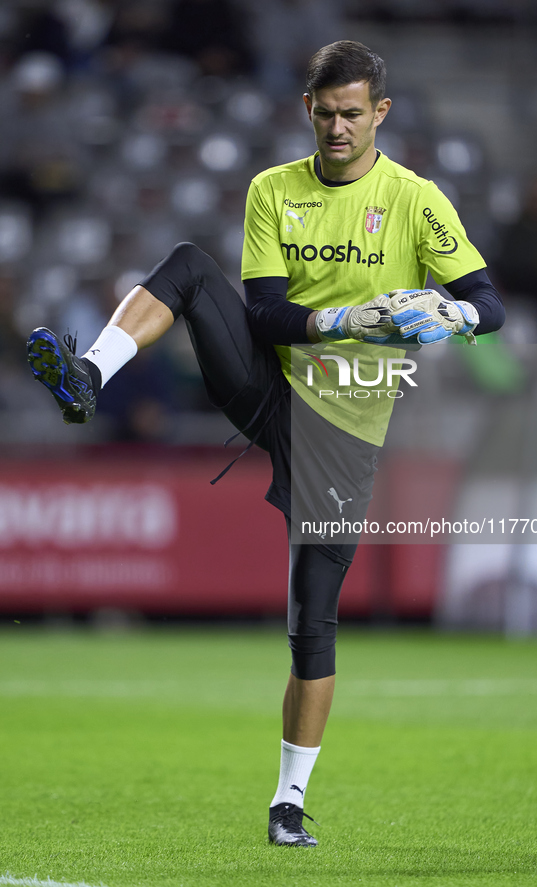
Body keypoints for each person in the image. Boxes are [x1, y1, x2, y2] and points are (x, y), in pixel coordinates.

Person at [26, 41, 505, 846]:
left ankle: (287, 801)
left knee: (311, 624)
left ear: (379, 113)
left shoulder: (417, 202)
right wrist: (342, 320)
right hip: (272, 389)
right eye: (324, 113)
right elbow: (265, 315)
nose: (338, 127)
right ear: (306, 111)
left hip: (344, 430)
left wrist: (456, 315)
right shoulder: (273, 190)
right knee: (185, 265)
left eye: (353, 113)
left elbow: (488, 302)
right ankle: (87, 377)